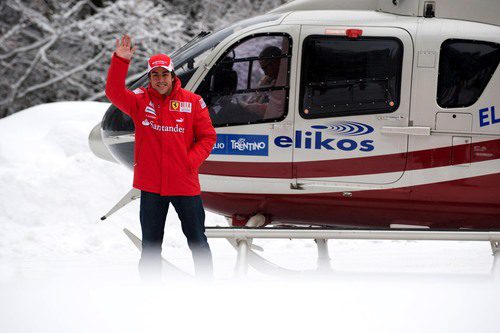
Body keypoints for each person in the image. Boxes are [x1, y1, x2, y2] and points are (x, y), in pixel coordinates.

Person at [105, 35, 216, 279]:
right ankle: (150, 292)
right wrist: (120, 62)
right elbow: (113, 92)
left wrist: (189, 162)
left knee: (197, 240)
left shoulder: (193, 102)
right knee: (151, 246)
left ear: (173, 75)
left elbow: (208, 137)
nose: (160, 80)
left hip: (185, 186)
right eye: (155, 75)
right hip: (152, 187)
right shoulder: (139, 101)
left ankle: (208, 288)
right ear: (150, 78)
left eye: (164, 75)